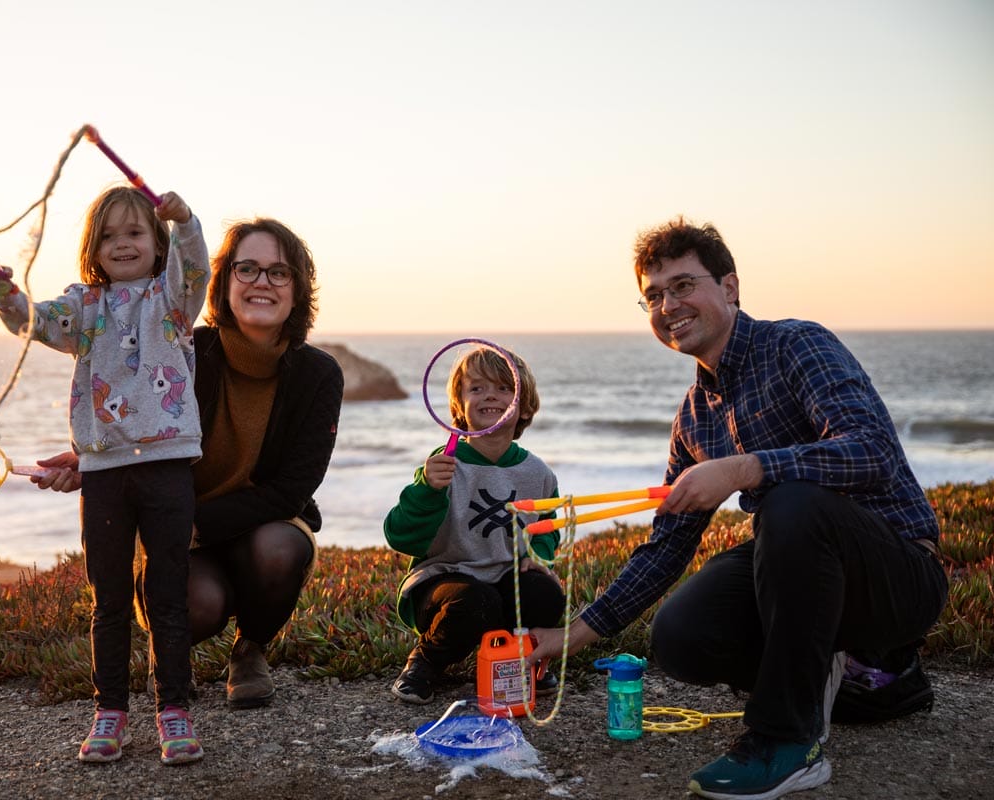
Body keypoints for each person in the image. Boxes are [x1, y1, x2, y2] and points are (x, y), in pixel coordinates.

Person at [526, 217, 948, 800]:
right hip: (807, 577)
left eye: (682, 285)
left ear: (729, 287)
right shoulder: (693, 418)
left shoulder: (798, 343)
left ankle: (788, 741)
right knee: (680, 634)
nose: (667, 305)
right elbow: (667, 546)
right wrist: (571, 635)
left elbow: (870, 450)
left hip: (899, 575)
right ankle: (858, 681)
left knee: (791, 505)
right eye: (653, 295)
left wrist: (745, 468)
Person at [33, 217, 344, 714]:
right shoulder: (183, 346)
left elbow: (294, 488)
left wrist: (196, 526)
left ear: (297, 289)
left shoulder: (318, 373)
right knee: (196, 605)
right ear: (222, 282)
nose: (262, 282)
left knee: (280, 547)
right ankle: (173, 664)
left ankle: (250, 650)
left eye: (278, 272)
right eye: (247, 268)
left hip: (244, 528)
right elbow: (137, 421)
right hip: (175, 527)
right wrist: (92, 462)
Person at [0, 186, 209, 765]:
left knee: (167, 594)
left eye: (135, 232)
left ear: (157, 242)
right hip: (105, 470)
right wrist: (5, 294)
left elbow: (197, 266)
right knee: (108, 598)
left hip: (166, 466)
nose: (122, 244)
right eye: (109, 235)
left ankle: (174, 711)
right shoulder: (83, 306)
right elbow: (33, 322)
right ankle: (108, 710)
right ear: (93, 246)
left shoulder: (173, 299)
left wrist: (185, 221)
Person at [384, 344, 565, 705]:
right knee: (474, 602)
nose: (491, 397)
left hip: (503, 578)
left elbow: (546, 527)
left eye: (503, 388)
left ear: (524, 405)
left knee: (545, 593)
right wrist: (427, 489)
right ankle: (425, 661)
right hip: (445, 582)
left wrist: (538, 557)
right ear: (459, 406)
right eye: (477, 388)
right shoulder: (444, 465)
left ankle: (521, 659)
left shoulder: (538, 473)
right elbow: (402, 535)